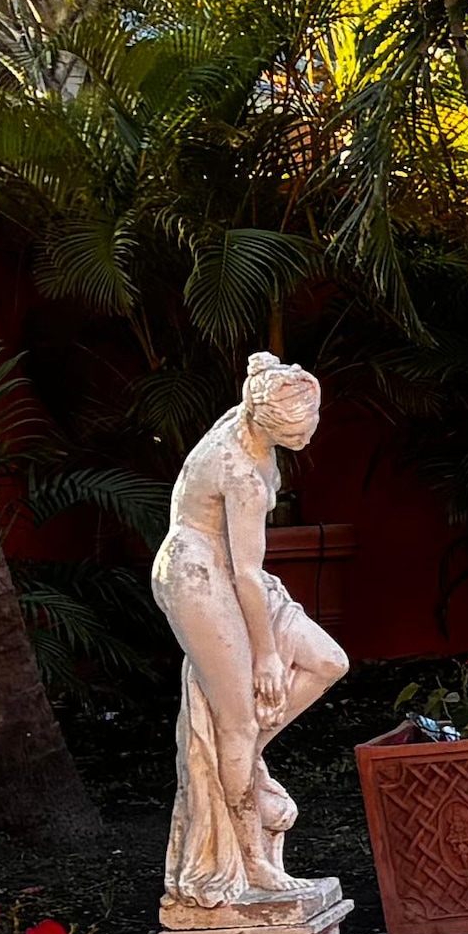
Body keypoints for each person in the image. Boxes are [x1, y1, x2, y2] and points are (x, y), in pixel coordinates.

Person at [153, 353, 350, 903]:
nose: (312, 431)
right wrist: (266, 654)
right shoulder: (241, 471)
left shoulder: (248, 420)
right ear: (274, 422)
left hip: (232, 571)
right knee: (238, 721)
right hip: (198, 577)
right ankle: (253, 861)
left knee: (328, 661)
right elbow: (243, 572)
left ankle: (231, 759)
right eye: (305, 424)